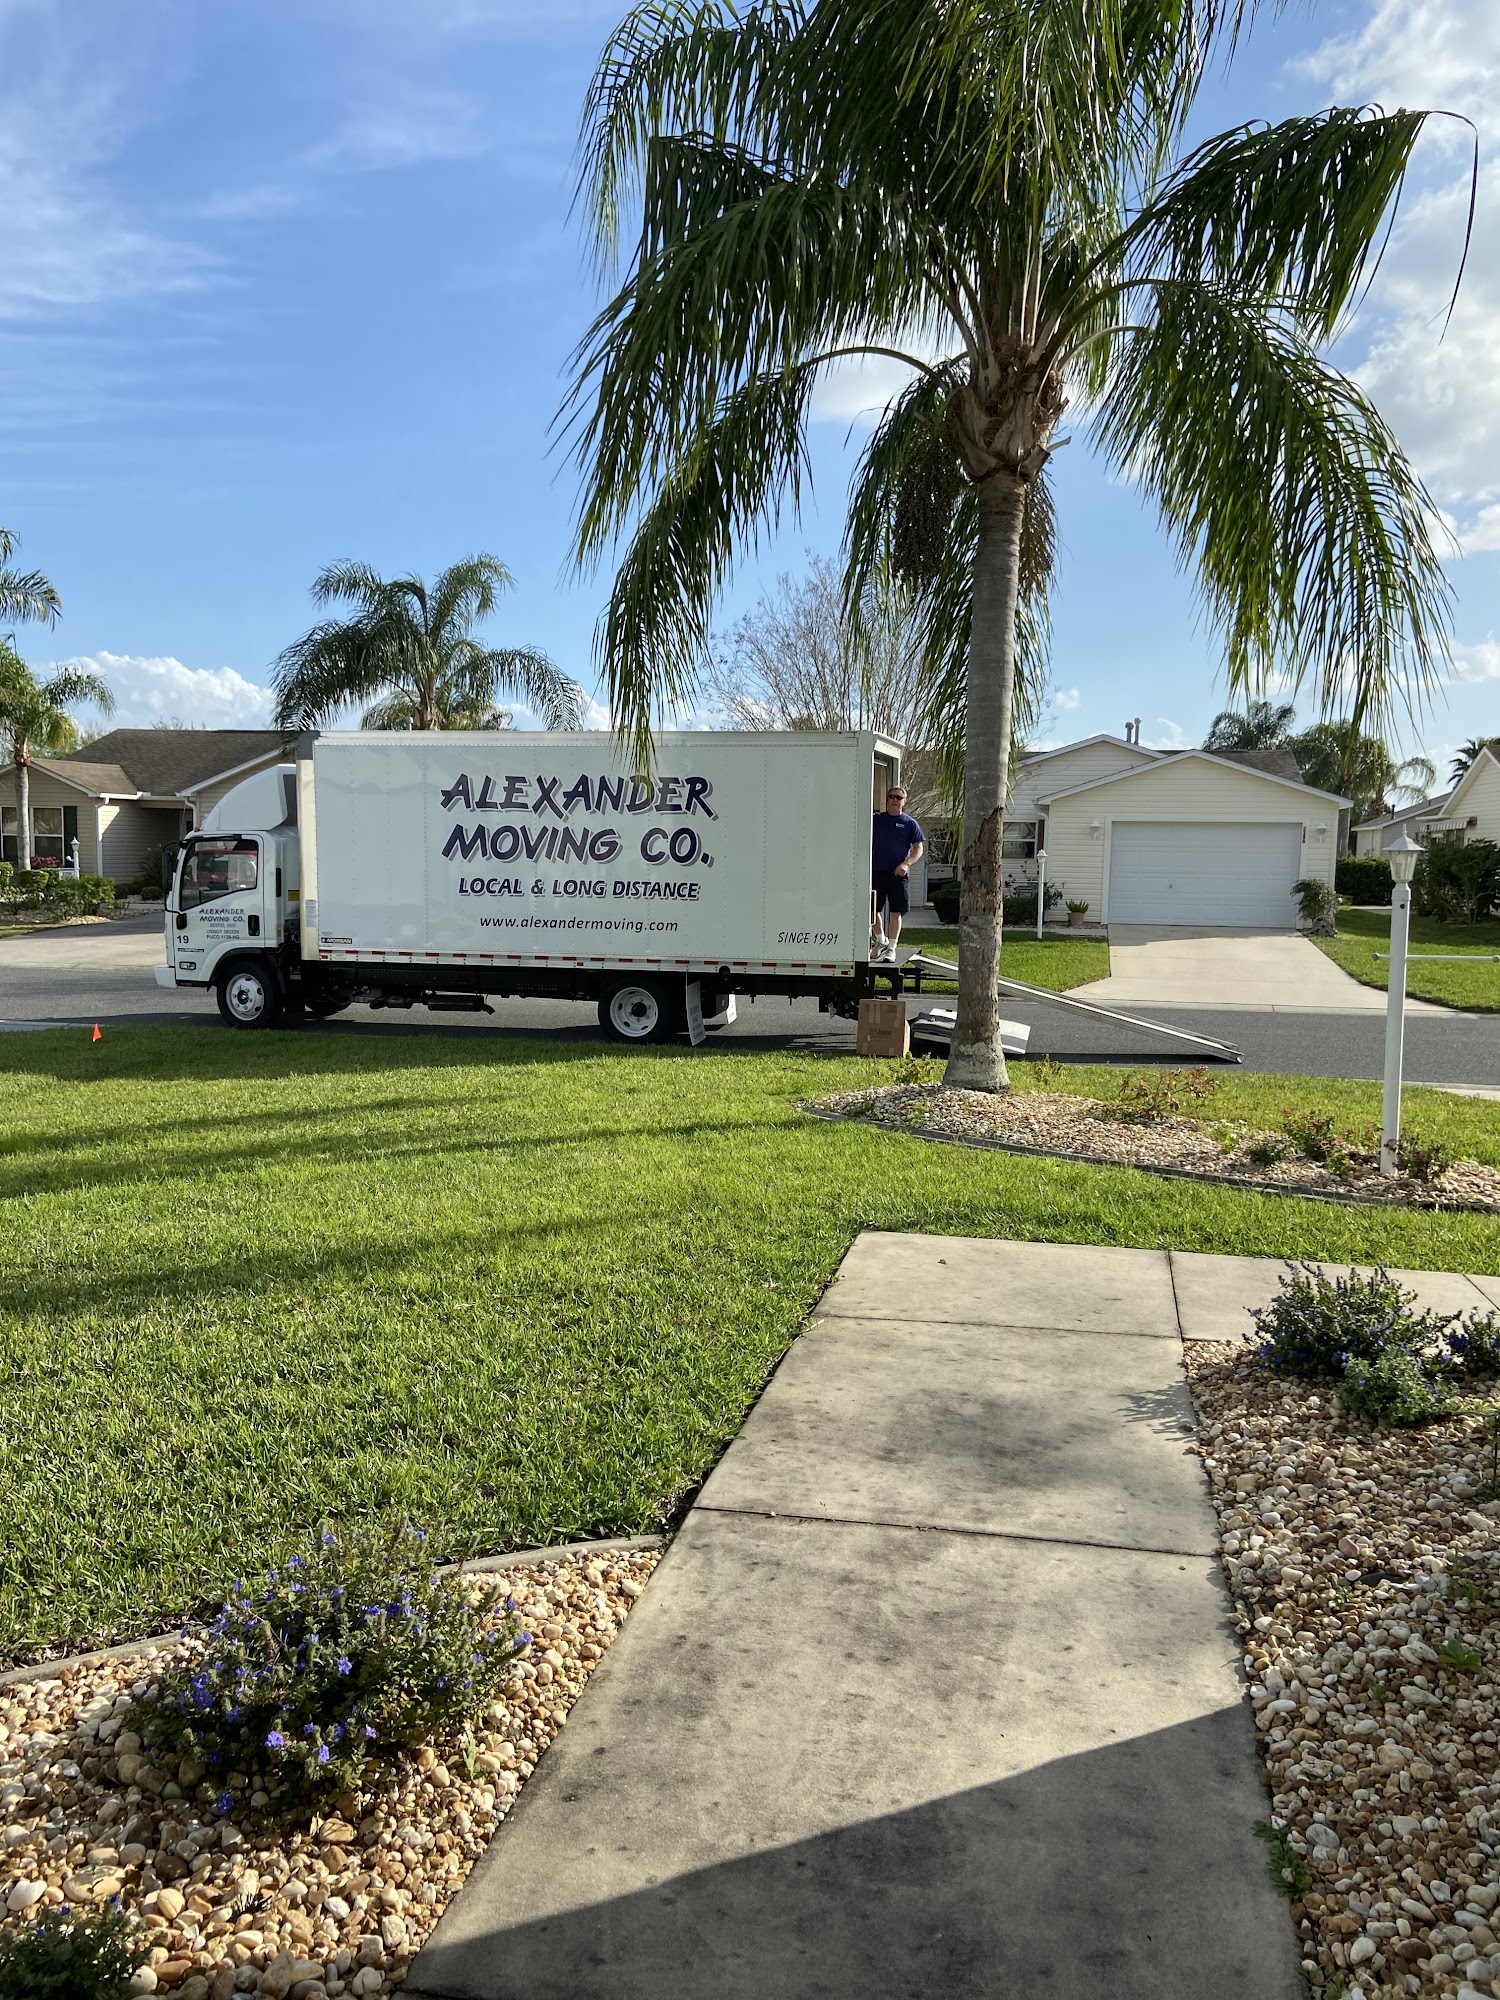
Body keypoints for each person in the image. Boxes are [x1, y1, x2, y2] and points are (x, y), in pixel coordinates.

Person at [870, 785, 925, 962]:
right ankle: (881, 940)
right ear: (887, 799)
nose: (895, 800)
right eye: (891, 797)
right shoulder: (876, 820)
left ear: (904, 802)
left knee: (896, 912)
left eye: (899, 798)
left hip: (898, 875)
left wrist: (906, 864)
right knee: (871, 911)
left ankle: (891, 949)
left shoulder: (909, 823)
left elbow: (918, 848)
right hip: (877, 872)